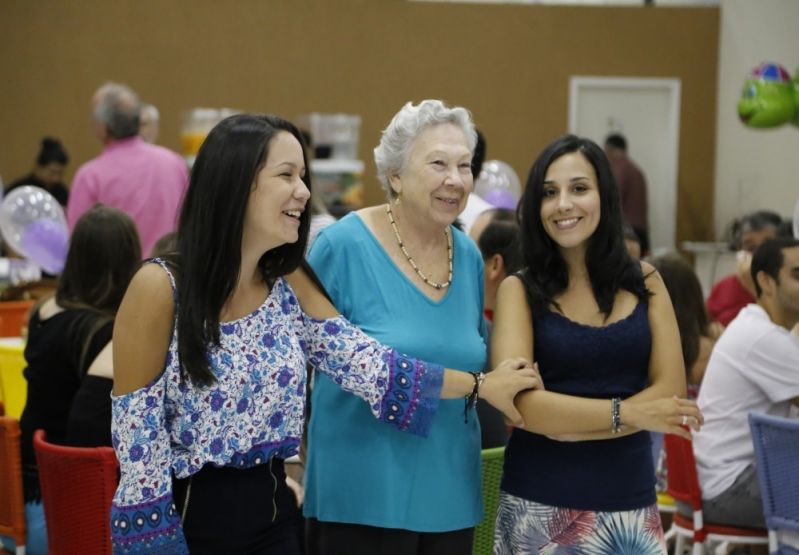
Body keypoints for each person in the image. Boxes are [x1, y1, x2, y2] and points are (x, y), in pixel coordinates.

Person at [109, 113, 537, 554]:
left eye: (303, 175)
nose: (304, 191)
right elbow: (138, 448)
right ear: (237, 183)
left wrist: (481, 386)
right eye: (287, 175)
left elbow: (372, 368)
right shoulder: (161, 288)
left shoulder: (286, 282)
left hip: (273, 514)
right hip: (188, 516)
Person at [303, 100, 506, 554]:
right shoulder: (342, 246)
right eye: (438, 163)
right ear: (395, 174)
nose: (455, 178)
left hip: (451, 492)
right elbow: (300, 367)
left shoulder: (469, 256)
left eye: (464, 165)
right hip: (361, 496)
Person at [491, 135, 703, 553]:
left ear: (605, 195)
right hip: (539, 509)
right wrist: (631, 412)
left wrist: (569, 422)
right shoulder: (518, 289)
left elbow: (671, 398)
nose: (564, 204)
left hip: (631, 508)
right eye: (549, 193)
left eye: (579, 188)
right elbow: (523, 407)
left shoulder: (646, 282)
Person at [0, 205, 141, 555]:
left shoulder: (43, 311)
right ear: (128, 265)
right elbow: (91, 434)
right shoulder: (104, 333)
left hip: (19, 485)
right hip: (62, 504)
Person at [693, 237, 799, 529]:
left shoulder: (756, 326)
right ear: (766, 281)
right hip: (729, 487)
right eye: (798, 275)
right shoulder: (764, 337)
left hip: (721, 479)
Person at [67, 82, 189, 256]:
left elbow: (77, 248)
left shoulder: (90, 177)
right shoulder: (175, 163)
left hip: (118, 281)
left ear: (102, 127)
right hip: (174, 277)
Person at [706, 210, 781, 326]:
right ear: (739, 249)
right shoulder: (723, 287)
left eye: (767, 246)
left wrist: (756, 289)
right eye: (750, 247)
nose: (758, 254)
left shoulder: (788, 286)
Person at [604, 133, 649, 255]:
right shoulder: (637, 171)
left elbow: (613, 201)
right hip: (641, 230)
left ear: (610, 149)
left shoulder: (616, 170)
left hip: (625, 232)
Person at [6, 137, 70, 206]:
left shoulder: (62, 192)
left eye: (60, 173)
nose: (56, 178)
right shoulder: (20, 189)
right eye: (52, 172)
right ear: (38, 167)